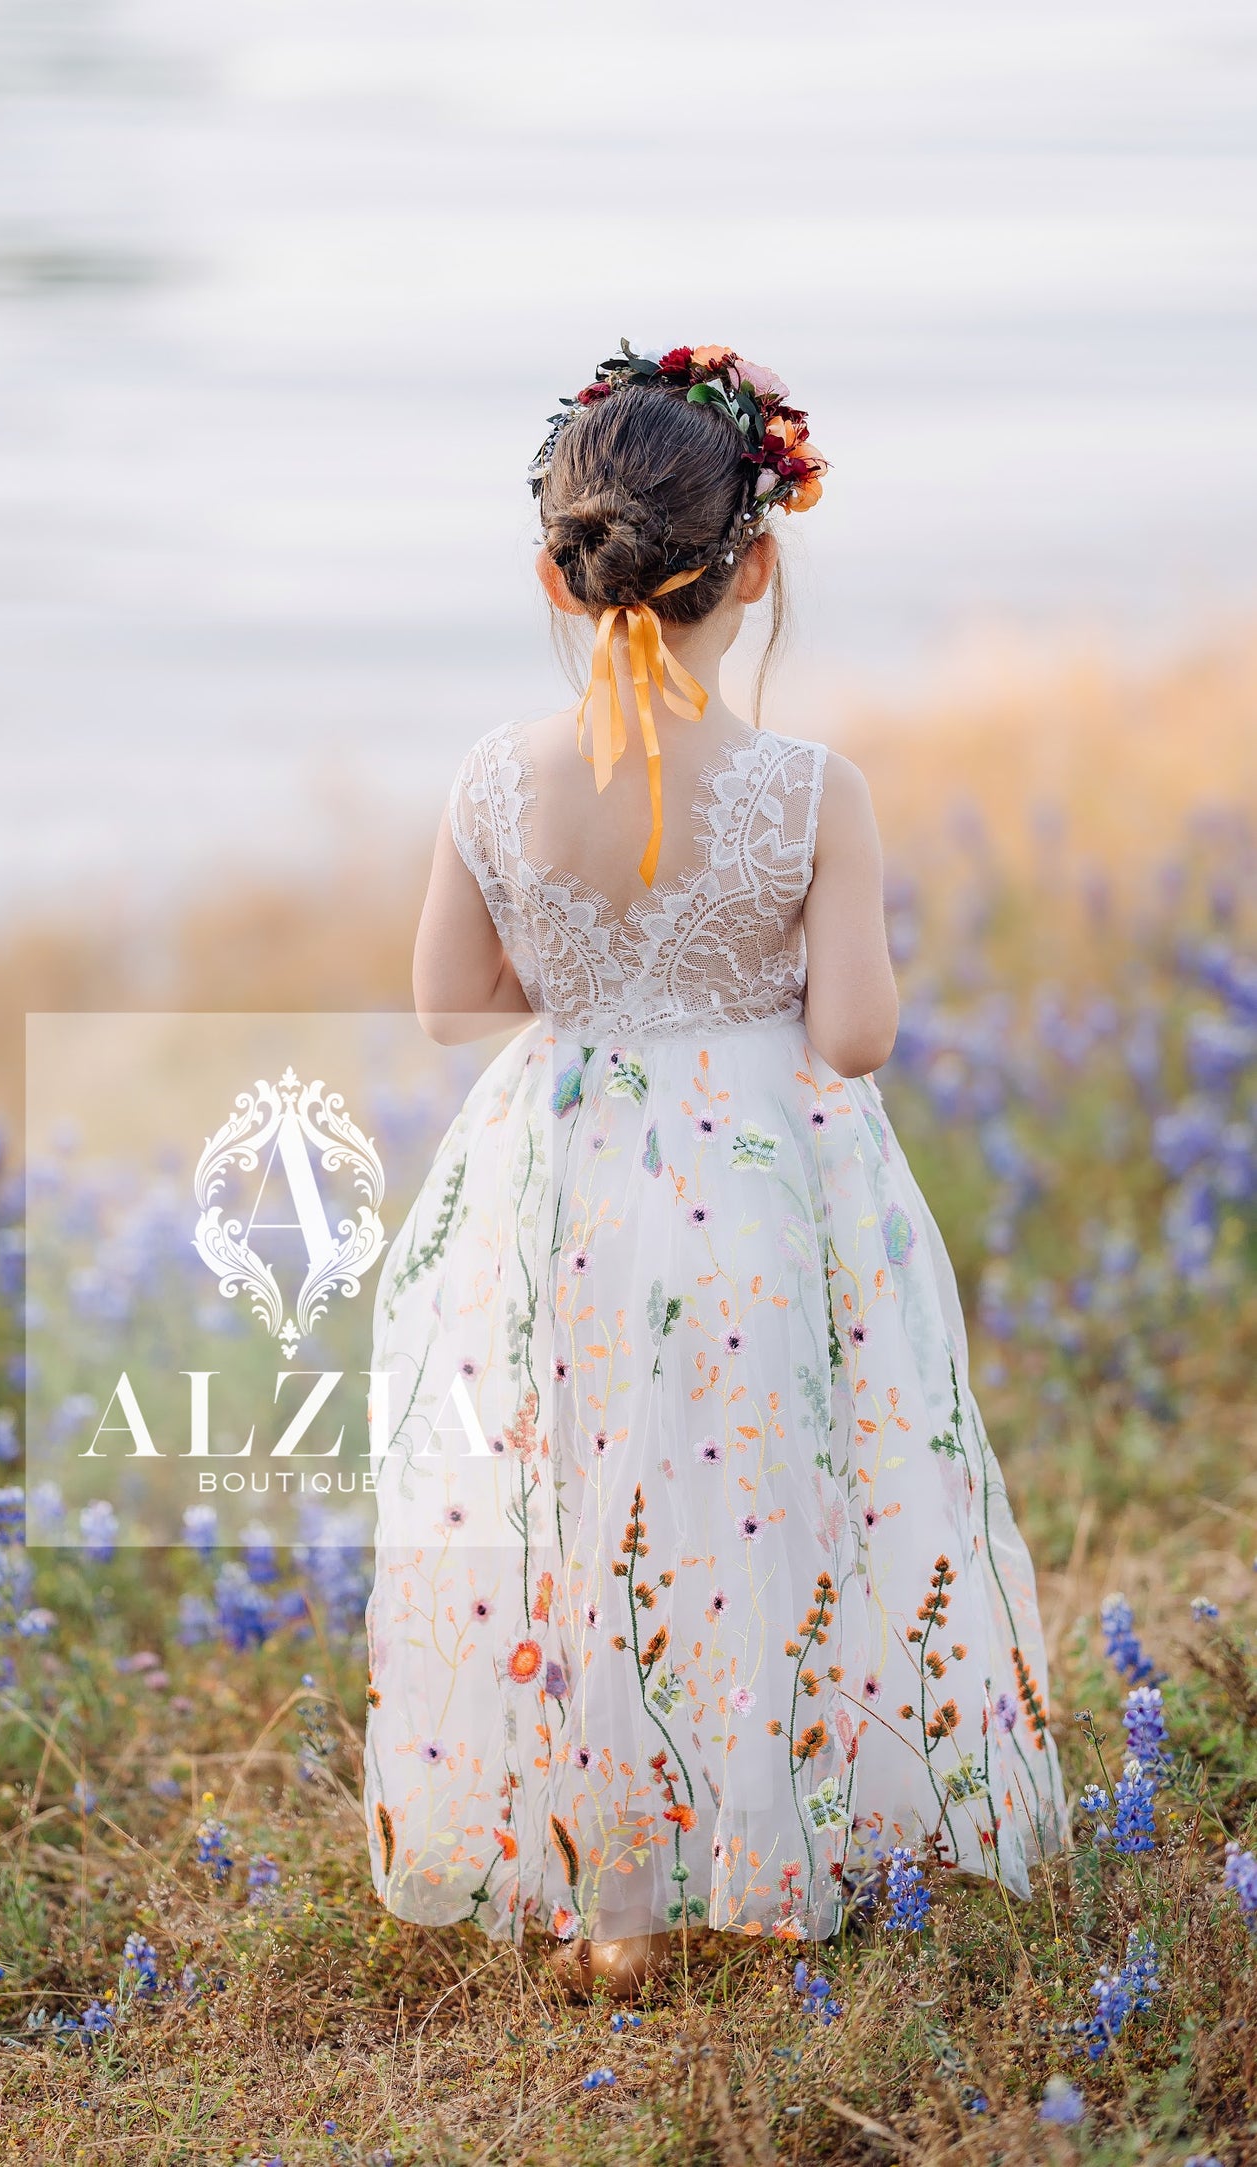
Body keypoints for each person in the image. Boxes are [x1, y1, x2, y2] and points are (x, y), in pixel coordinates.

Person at [361, 341, 1067, 2000]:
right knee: (758, 1496)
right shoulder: (811, 789)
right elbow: (857, 1035)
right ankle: (789, 1834)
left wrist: (599, 980)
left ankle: (608, 1901)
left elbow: (446, 1005)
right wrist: (716, 983)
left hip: (555, 1175)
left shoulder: (487, 775)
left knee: (575, 1503)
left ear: (555, 566)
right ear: (754, 565)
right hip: (758, 1183)